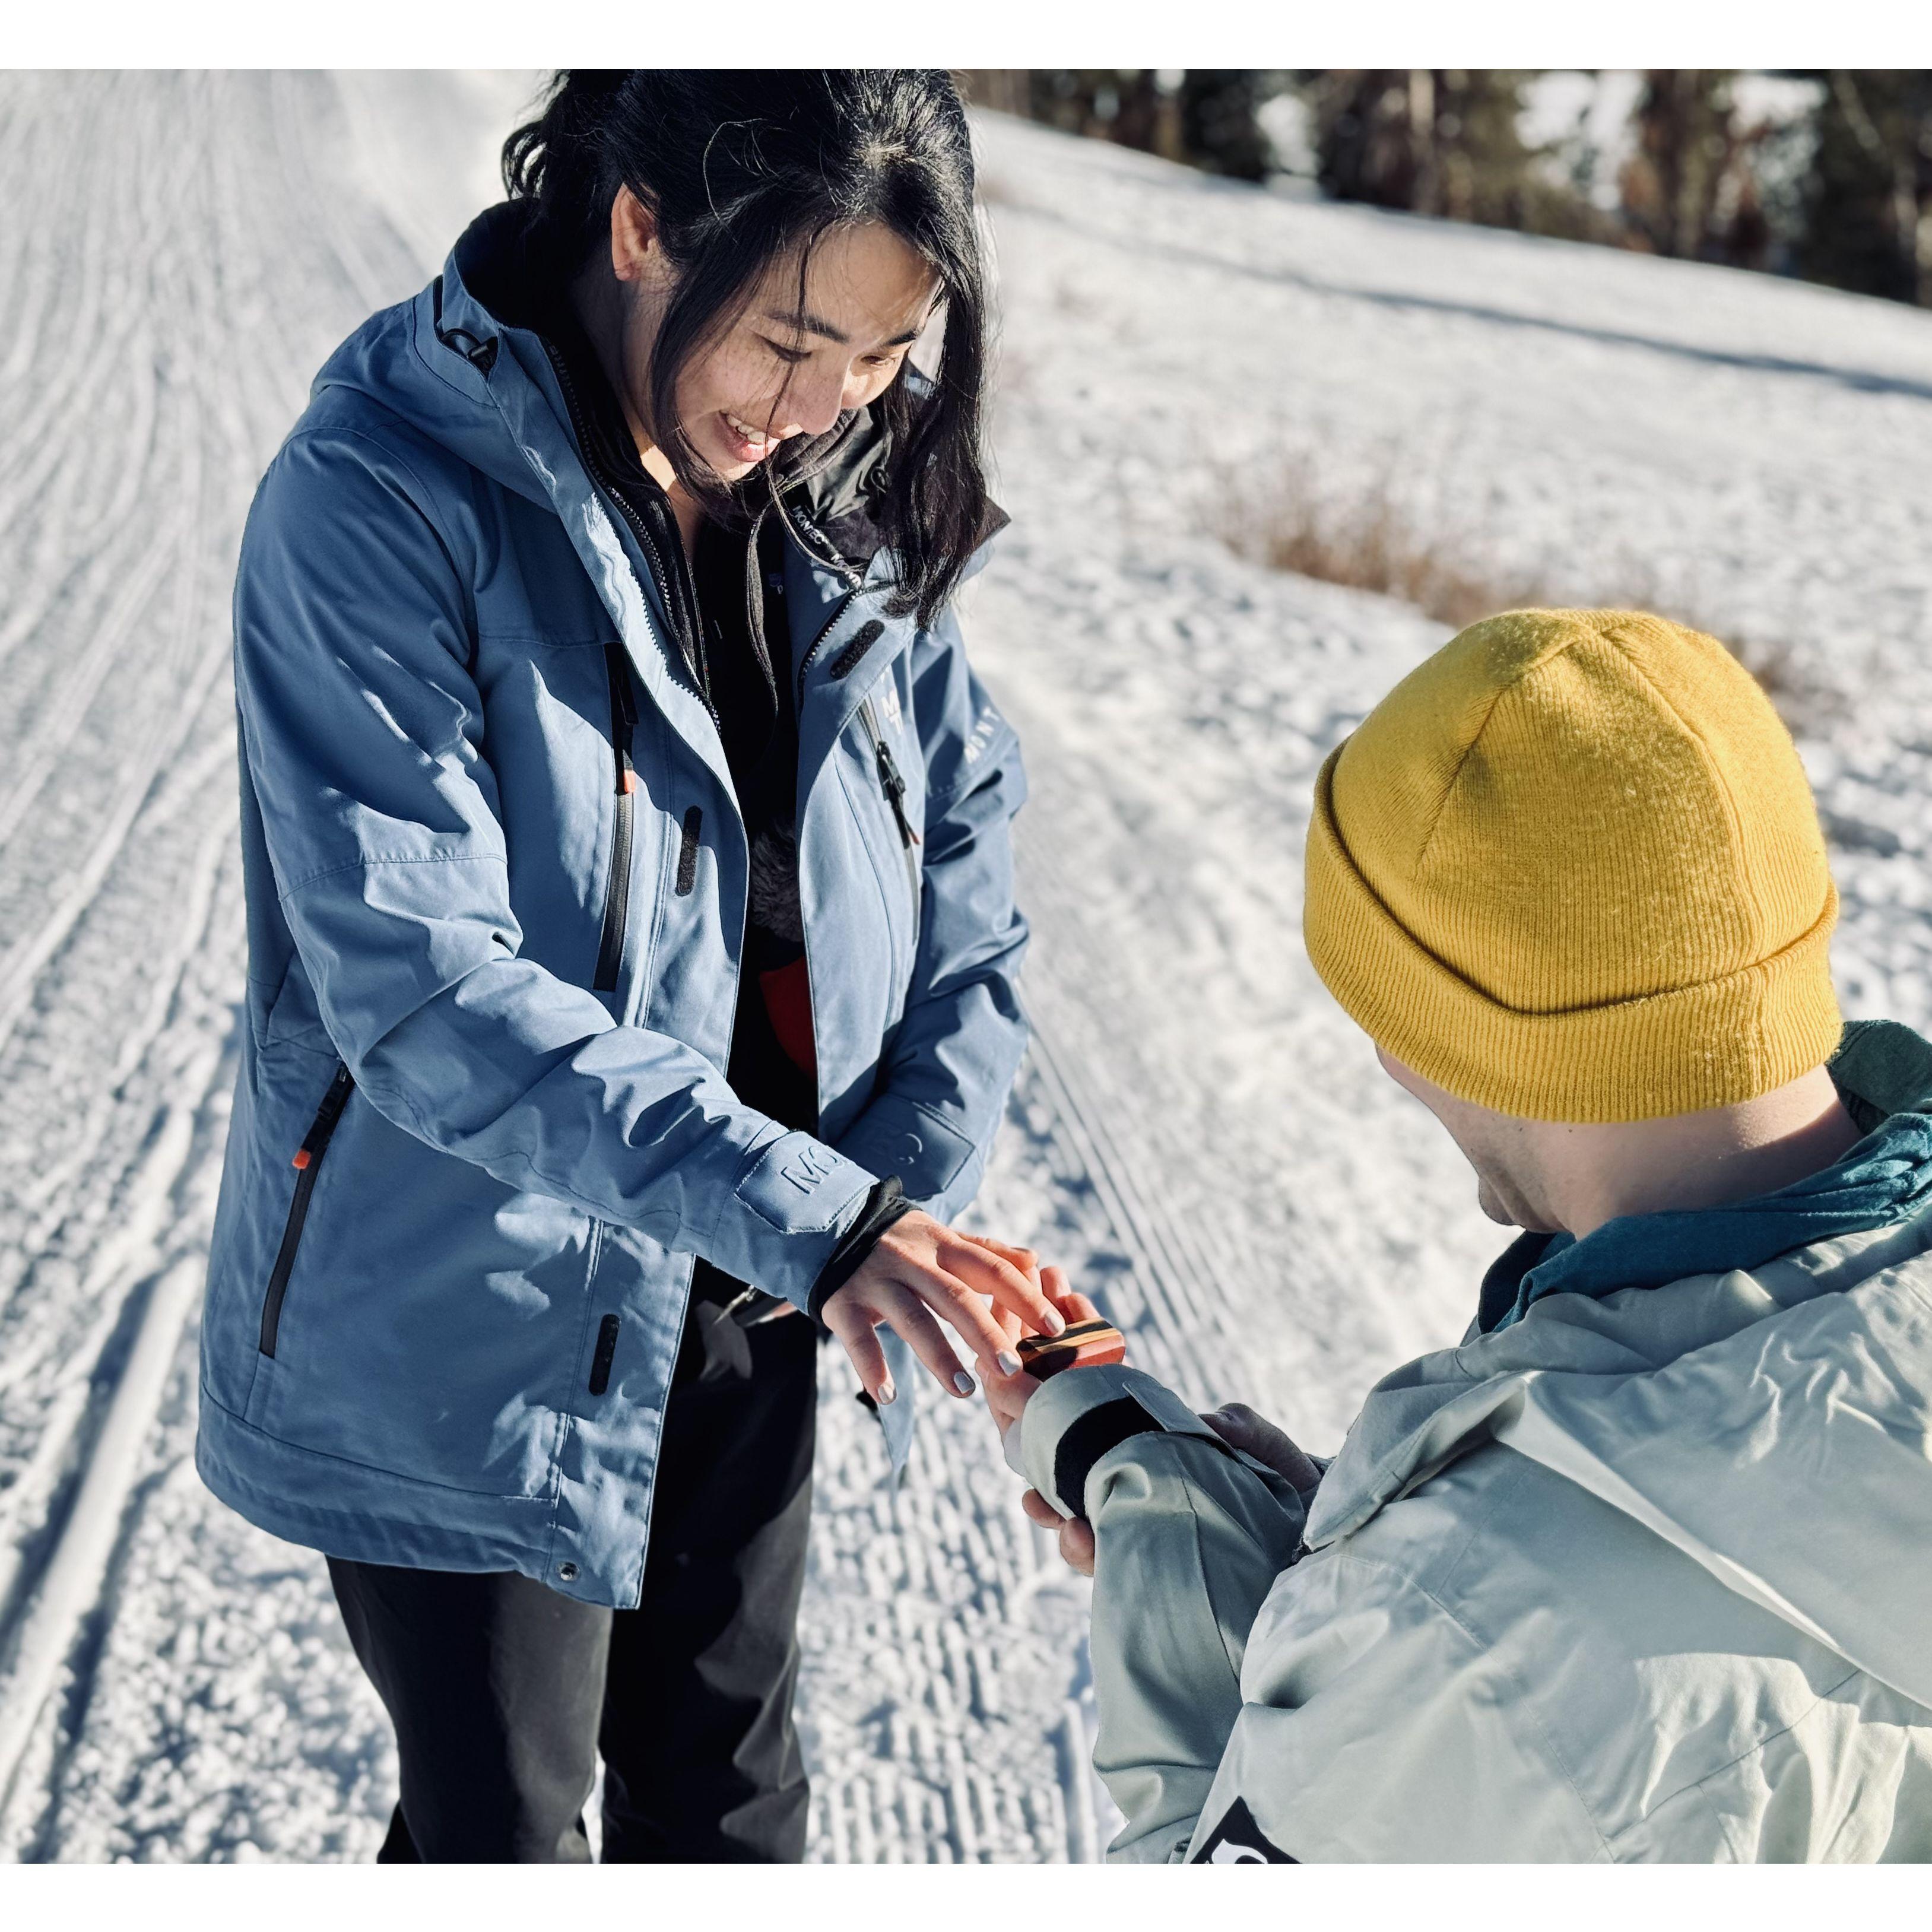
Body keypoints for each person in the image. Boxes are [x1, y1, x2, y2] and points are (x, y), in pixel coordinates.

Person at [196, 69, 1065, 1863]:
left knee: (733, 1827)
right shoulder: (378, 494)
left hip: (754, 1285)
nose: (827, 409)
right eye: (792, 341)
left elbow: (969, 845)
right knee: (503, 1837)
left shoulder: (828, 499)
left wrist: (888, 1189)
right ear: (642, 228)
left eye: (885, 360)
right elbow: (423, 982)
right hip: (477, 1299)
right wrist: (817, 1217)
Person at [988, 609, 1932, 1861]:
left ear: (1466, 1034)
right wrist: (1382, 1550)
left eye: (1382, 1004)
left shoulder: (1464, 1639)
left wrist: (1203, 1605)